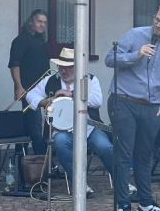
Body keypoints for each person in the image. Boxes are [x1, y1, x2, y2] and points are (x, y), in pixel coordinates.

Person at [106, 3, 160, 211]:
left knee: (145, 155)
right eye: (156, 19)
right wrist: (135, 55)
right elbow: (109, 59)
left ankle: (146, 204)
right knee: (124, 155)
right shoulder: (135, 34)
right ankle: (123, 207)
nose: (158, 25)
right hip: (124, 101)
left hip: (152, 107)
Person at [26, 48, 112, 198]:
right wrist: (46, 101)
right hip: (62, 131)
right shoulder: (50, 80)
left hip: (89, 128)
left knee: (105, 147)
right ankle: (79, 184)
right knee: (60, 142)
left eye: (69, 67)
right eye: (61, 67)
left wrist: (72, 94)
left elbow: (97, 100)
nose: (64, 71)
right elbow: (30, 95)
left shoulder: (89, 79)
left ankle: (122, 183)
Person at [8, 9, 50, 154]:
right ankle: (42, 160)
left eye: (44, 22)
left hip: (45, 89)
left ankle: (20, 159)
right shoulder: (20, 40)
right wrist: (18, 87)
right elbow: (14, 64)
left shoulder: (42, 41)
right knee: (35, 128)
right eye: (39, 21)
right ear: (31, 22)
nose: (42, 25)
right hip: (28, 90)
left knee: (31, 128)